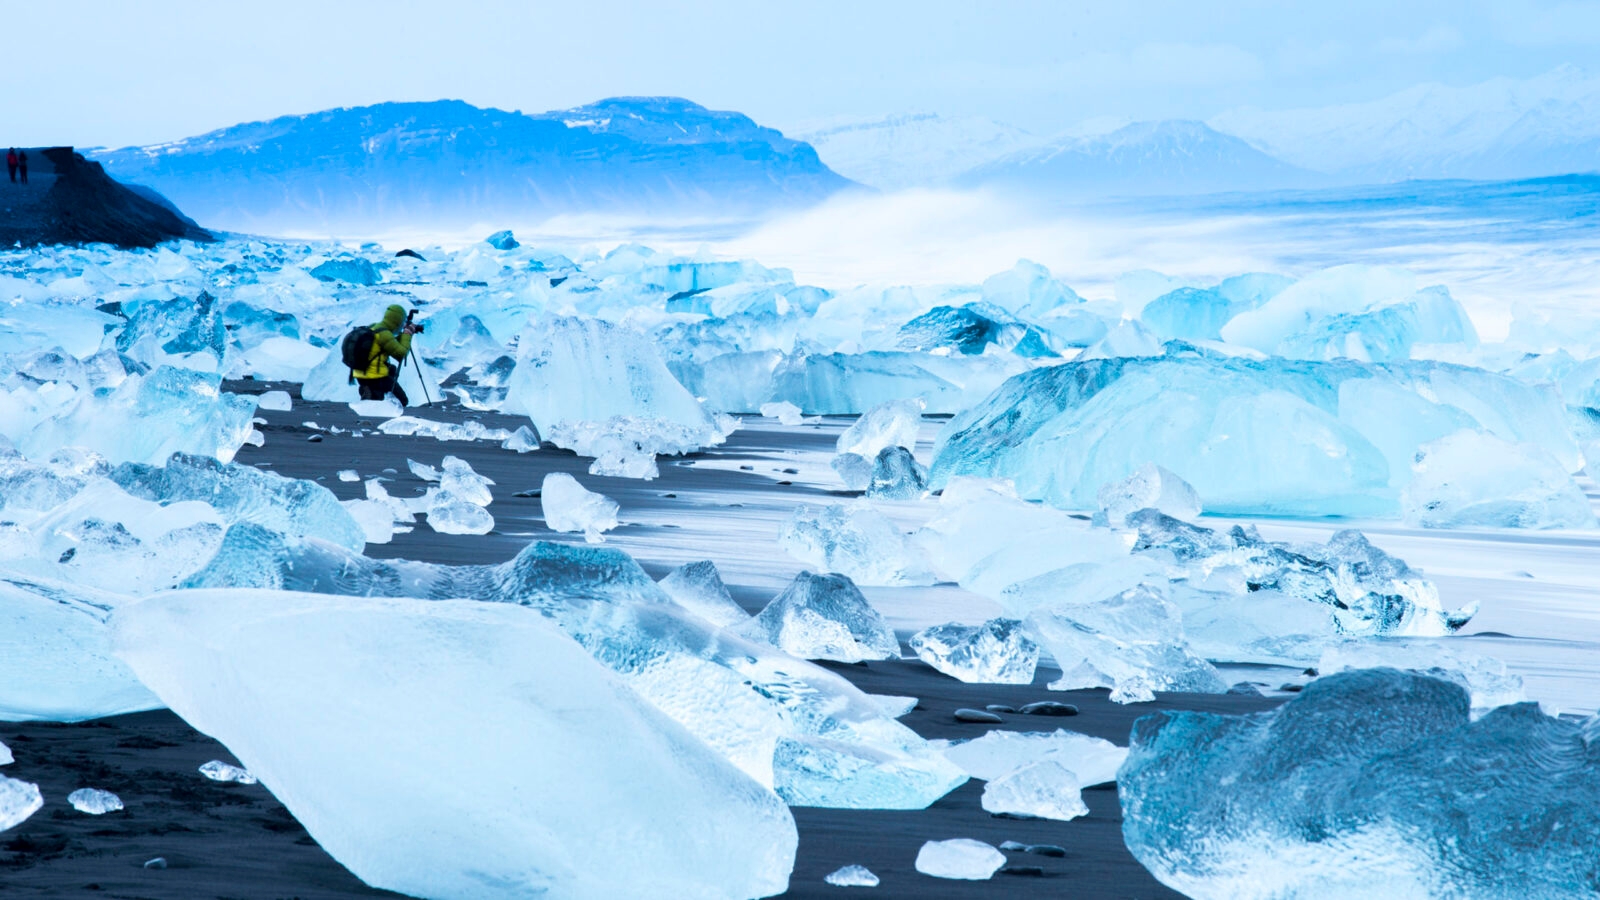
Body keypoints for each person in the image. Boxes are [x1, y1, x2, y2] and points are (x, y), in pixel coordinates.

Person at [353, 304, 419, 405]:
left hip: (361, 373)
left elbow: (389, 344)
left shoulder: (374, 327)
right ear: (397, 321)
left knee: (391, 369)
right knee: (403, 400)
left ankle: (369, 391)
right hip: (375, 375)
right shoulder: (384, 334)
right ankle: (373, 396)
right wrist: (407, 334)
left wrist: (404, 334)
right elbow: (401, 353)